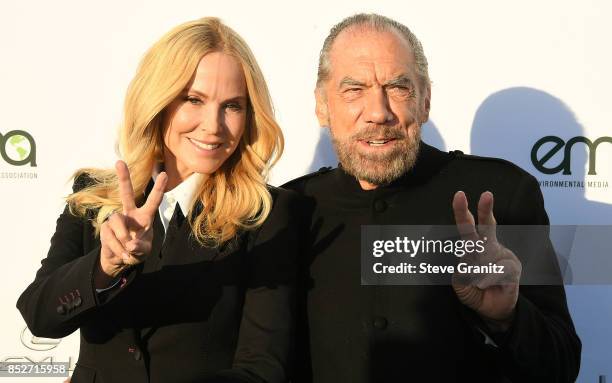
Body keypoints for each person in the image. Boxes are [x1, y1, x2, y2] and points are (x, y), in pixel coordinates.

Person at [283, 13, 581, 382]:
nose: (378, 113)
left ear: (424, 100)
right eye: (353, 89)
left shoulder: (502, 194)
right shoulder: (290, 210)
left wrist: (508, 317)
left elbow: (562, 368)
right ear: (322, 105)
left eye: (398, 87)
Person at [17, 17, 298, 383]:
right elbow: (40, 318)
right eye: (193, 99)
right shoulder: (95, 196)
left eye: (232, 105)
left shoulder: (267, 215)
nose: (213, 125)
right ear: (159, 100)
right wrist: (104, 267)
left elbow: (261, 370)